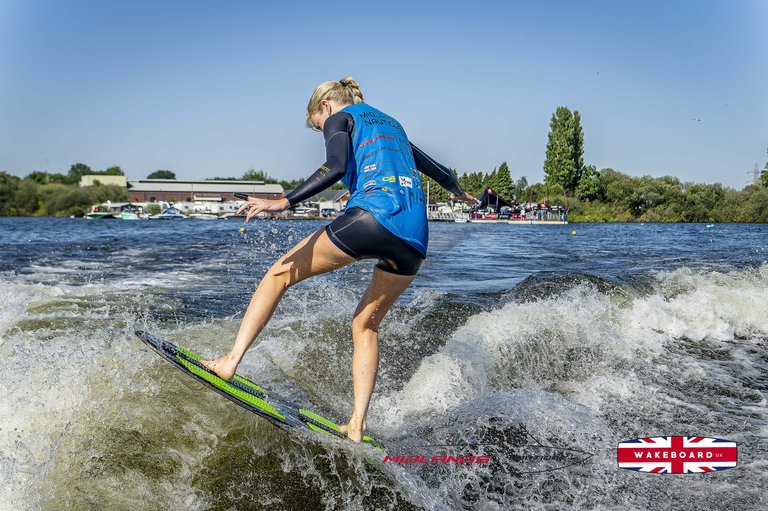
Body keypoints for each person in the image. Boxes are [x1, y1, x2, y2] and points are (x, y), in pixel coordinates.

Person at [202, 77, 476, 442]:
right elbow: (441, 172)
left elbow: (334, 165)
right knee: (365, 325)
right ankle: (357, 425)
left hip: (373, 219)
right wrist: (460, 192)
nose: (324, 130)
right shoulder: (392, 126)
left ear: (326, 106)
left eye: (319, 126)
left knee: (277, 276)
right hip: (414, 240)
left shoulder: (339, 117)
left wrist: (283, 202)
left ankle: (230, 361)